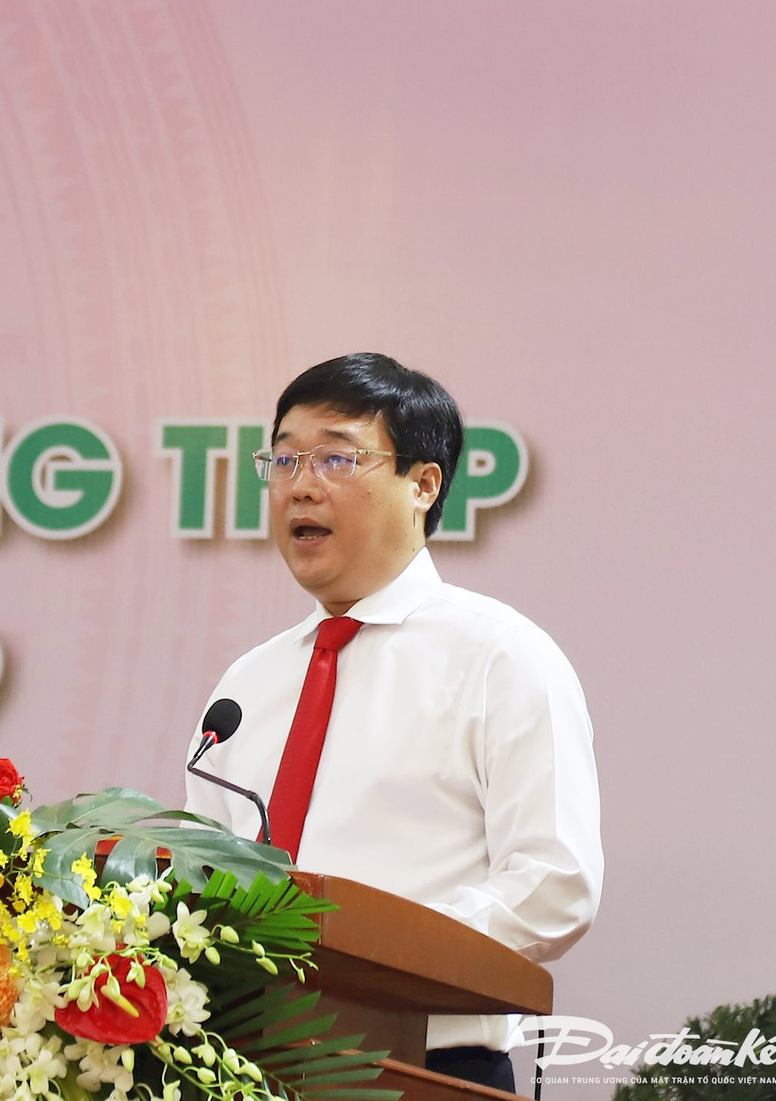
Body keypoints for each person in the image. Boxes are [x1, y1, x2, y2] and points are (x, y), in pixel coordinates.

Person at [184, 353, 602, 1095]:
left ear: (423, 482)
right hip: (239, 1072)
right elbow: (198, 879)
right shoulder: (246, 686)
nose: (301, 484)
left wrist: (375, 958)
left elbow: (555, 878)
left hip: (421, 1066)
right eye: (283, 458)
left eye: (337, 456)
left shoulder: (500, 657)